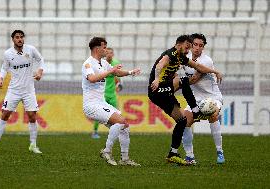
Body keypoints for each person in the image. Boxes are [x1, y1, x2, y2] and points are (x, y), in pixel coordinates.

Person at [148, 34, 223, 165]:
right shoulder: (170, 54)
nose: (189, 50)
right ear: (179, 44)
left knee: (182, 121)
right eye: (188, 47)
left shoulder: (181, 57)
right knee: (184, 81)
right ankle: (195, 110)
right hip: (158, 90)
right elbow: (160, 65)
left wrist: (215, 71)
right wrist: (157, 79)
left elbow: (198, 67)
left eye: (190, 47)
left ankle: (173, 153)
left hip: (167, 91)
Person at [82, 37, 141, 166]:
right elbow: (92, 78)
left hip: (101, 103)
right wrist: (110, 71)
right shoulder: (88, 63)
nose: (106, 50)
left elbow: (116, 72)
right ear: (97, 49)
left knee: (124, 125)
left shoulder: (103, 63)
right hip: (91, 105)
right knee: (120, 122)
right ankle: (106, 151)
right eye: (104, 47)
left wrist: (130, 72)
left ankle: (124, 159)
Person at [0, 30, 44, 154]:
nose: (20, 39)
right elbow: (4, 67)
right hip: (14, 90)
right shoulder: (8, 54)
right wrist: (1, 79)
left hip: (28, 90)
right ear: (13, 39)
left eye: (22, 37)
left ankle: (33, 145)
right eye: (17, 37)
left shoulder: (31, 49)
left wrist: (39, 72)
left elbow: (40, 59)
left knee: (32, 116)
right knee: (5, 114)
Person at [180, 33, 225, 164]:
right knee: (184, 121)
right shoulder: (185, 57)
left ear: (203, 47)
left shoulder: (206, 61)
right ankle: (189, 156)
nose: (198, 48)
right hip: (196, 98)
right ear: (191, 45)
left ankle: (219, 151)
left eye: (201, 46)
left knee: (213, 115)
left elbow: (193, 80)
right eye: (195, 45)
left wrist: (178, 84)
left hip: (212, 96)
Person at [91, 47, 122, 139]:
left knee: (116, 114)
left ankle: (117, 132)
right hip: (102, 94)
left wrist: (118, 85)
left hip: (112, 94)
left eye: (111, 53)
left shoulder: (116, 63)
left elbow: (118, 77)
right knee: (99, 115)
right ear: (105, 54)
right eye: (107, 53)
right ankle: (95, 132)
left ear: (113, 54)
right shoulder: (101, 64)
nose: (109, 54)